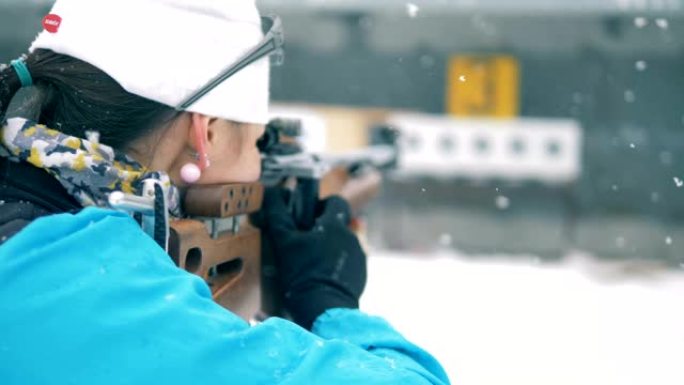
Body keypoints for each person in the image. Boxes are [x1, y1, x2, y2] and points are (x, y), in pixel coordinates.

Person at [0, 1, 450, 384]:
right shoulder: (83, 286)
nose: (258, 170)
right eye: (258, 143)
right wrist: (329, 302)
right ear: (206, 134)